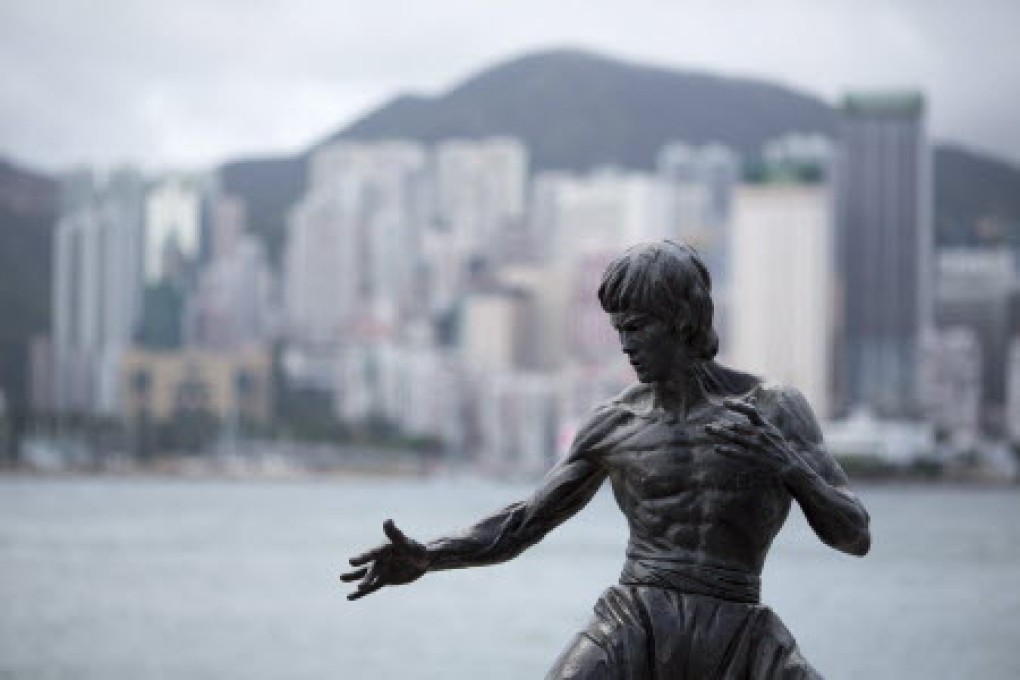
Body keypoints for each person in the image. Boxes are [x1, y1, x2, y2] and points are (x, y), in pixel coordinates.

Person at [343, 240, 870, 679]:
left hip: (741, 626)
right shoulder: (613, 425)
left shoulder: (774, 410)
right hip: (633, 620)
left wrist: (788, 465)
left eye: (637, 327)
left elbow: (854, 535)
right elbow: (522, 523)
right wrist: (429, 556)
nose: (624, 345)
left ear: (682, 320)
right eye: (618, 328)